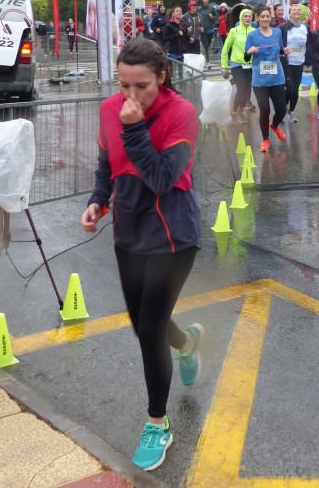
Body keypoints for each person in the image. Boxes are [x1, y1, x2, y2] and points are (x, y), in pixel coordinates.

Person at [80, 37, 203, 471]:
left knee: (149, 330)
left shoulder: (181, 115)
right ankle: (187, 343)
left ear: (162, 78)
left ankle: (157, 422)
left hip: (173, 239)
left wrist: (134, 127)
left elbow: (162, 179)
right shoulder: (109, 109)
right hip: (128, 234)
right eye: (124, 85)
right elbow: (105, 164)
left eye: (142, 86)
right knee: (142, 324)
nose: (131, 96)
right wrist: (98, 200)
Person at [245, 6, 291, 152]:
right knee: (264, 110)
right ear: (257, 18)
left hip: (277, 77)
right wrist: (249, 52)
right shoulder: (252, 36)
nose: (265, 19)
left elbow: (280, 50)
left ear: (270, 17)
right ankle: (265, 139)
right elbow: (246, 57)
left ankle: (274, 126)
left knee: (281, 109)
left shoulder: (277, 32)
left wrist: (285, 51)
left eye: (267, 16)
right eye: (262, 16)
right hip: (260, 80)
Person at [221, 7, 254, 122]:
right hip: (236, 64)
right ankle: (238, 112)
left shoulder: (254, 31)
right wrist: (224, 66)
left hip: (250, 65)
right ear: (241, 18)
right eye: (245, 16)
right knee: (241, 89)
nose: (248, 18)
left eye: (249, 16)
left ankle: (237, 111)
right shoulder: (234, 31)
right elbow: (225, 49)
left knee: (247, 90)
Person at [279, 4, 308, 123]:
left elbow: (311, 42)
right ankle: (283, 109)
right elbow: (276, 41)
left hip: (299, 62)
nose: (297, 11)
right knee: (289, 88)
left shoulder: (305, 27)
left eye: (298, 10)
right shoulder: (283, 27)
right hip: (287, 62)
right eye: (294, 10)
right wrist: (281, 51)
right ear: (289, 13)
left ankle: (291, 111)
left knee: (295, 89)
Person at [197, 0, 216, 69]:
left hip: (210, 30)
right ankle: (208, 62)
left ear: (208, 0)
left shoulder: (212, 8)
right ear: (202, 0)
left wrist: (212, 17)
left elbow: (217, 17)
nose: (205, 0)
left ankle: (203, 57)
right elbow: (196, 18)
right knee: (205, 45)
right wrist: (199, 26)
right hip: (202, 31)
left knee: (207, 46)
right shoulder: (199, 9)